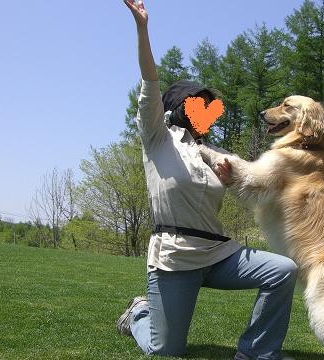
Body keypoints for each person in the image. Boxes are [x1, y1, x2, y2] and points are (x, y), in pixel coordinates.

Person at [117, 1, 298, 359]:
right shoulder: (157, 139)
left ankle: (255, 353)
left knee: (283, 270)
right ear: (178, 106)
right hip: (176, 257)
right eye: (198, 104)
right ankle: (138, 313)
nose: (206, 112)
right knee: (165, 350)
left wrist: (236, 178)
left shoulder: (213, 152)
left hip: (218, 253)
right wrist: (142, 27)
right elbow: (149, 83)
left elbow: (254, 193)